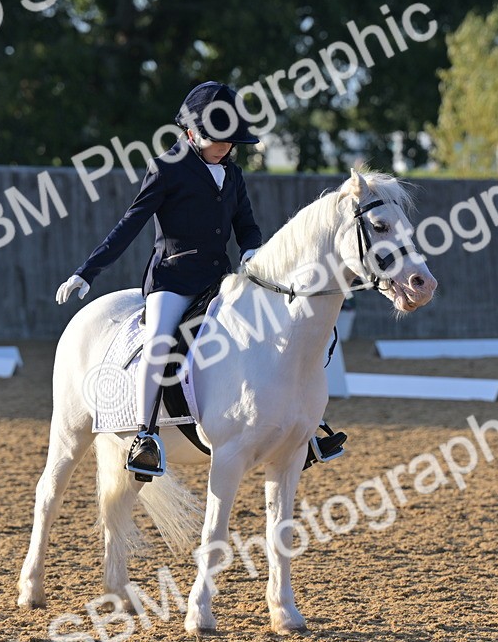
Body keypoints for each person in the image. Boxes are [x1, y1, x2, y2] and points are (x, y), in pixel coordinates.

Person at [56, 81, 346, 479]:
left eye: (232, 141)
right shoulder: (167, 169)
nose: (227, 147)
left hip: (219, 280)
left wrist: (251, 250)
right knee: (159, 342)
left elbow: (246, 225)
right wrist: (86, 272)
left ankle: (306, 429)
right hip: (172, 280)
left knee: (283, 328)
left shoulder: (233, 173)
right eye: (219, 139)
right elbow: (129, 225)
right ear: (192, 132)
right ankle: (146, 436)